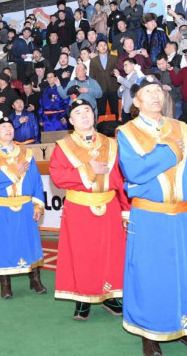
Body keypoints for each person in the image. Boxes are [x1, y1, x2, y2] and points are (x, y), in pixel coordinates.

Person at [117, 75, 187, 356]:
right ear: (136, 102)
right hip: (150, 215)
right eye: (147, 92)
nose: (155, 96)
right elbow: (134, 172)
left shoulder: (181, 128)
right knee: (151, 275)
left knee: (186, 273)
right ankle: (149, 334)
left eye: (158, 91)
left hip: (183, 214)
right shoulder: (127, 132)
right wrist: (169, 152)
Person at [50, 98, 129, 321]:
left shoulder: (111, 144)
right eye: (78, 112)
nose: (84, 115)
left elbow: (119, 179)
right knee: (82, 255)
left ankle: (110, 294)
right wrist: (88, 169)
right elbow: (57, 177)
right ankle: (82, 299)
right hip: (79, 209)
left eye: (87, 110)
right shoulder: (64, 146)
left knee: (111, 253)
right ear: (71, 120)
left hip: (110, 206)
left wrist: (125, 209)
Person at [0, 114, 46, 299]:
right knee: (3, 244)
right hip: (2, 207)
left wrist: (38, 206)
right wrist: (14, 170)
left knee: (31, 242)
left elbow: (36, 181)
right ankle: (5, 284)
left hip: (26, 205)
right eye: (3, 127)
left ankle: (35, 279)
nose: (8, 129)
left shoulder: (26, 153)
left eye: (10, 126)